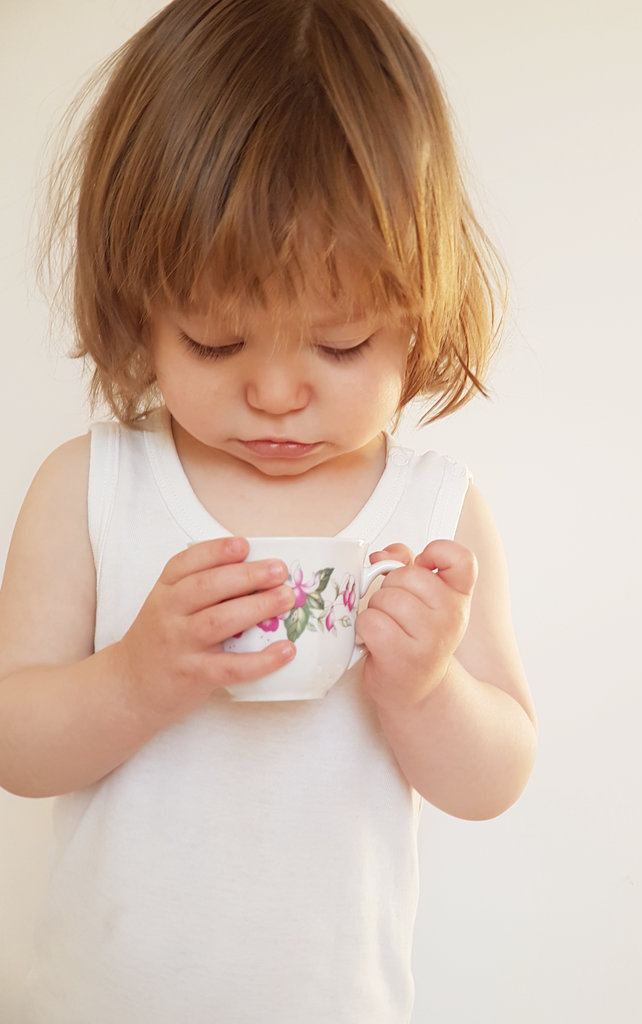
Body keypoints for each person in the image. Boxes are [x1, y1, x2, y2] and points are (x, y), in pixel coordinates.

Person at [0, 0, 536, 1020]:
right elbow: (11, 744)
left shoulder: (433, 512)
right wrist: (135, 679)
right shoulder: (91, 487)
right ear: (137, 304)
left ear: (419, 314)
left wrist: (424, 690)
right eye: (213, 340)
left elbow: (495, 773)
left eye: (339, 347)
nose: (278, 393)